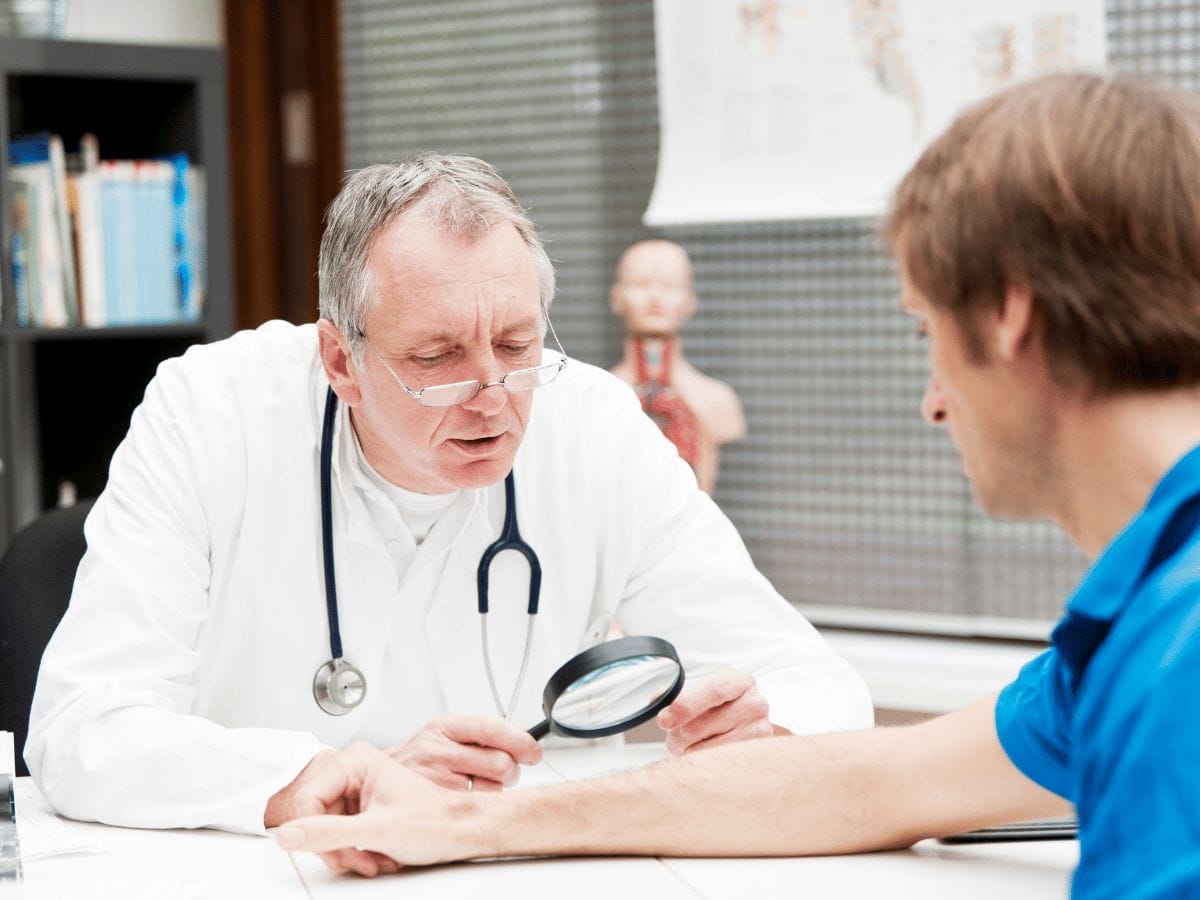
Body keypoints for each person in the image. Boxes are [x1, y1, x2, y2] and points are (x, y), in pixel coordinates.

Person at [276, 73, 1200, 896]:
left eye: (926, 334)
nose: (931, 404)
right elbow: (867, 781)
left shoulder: (1178, 658)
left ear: (1007, 318)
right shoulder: (1129, 637)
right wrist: (471, 827)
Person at [24, 154, 872, 835]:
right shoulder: (211, 413)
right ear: (340, 361)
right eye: (436, 360)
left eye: (515, 341)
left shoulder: (595, 424)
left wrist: (768, 729)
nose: (494, 392)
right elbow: (84, 726)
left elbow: (817, 681)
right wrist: (309, 776)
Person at [609, 240, 745, 492]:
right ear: (617, 298)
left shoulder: (717, 399)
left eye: (670, 286)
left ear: (690, 301)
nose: (655, 296)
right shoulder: (600, 398)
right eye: (641, 285)